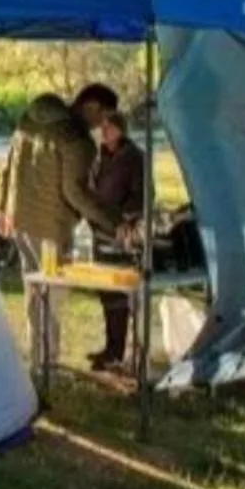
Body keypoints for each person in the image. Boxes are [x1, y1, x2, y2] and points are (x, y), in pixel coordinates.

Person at [0, 93, 97, 374]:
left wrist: (3, 207)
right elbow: (75, 191)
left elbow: (9, 166)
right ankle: (47, 360)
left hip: (21, 220)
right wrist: (107, 221)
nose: (99, 125)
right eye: (101, 116)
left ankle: (39, 356)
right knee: (52, 291)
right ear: (91, 107)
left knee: (34, 288)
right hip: (51, 226)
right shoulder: (70, 136)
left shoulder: (26, 122)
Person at [86, 109, 147, 371]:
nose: (104, 131)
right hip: (100, 231)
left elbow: (141, 195)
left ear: (121, 129)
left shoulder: (135, 158)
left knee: (122, 293)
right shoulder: (100, 157)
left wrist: (126, 220)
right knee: (106, 293)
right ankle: (111, 348)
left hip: (122, 234)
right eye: (103, 127)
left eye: (109, 127)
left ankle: (123, 352)